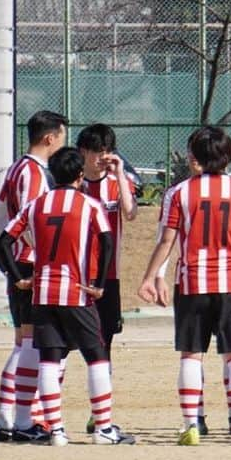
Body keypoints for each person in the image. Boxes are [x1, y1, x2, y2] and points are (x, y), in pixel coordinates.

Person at [137, 126, 231, 447]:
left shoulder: (179, 193)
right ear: (228, 157)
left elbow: (167, 241)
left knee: (191, 355)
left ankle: (192, 426)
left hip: (191, 284)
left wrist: (150, 275)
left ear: (194, 157)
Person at [0, 146, 136, 447]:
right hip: (76, 292)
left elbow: (5, 238)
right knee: (96, 357)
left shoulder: (37, 205)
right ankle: (104, 428)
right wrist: (98, 283)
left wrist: (19, 277)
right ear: (78, 175)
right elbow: (107, 240)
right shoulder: (88, 205)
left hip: (43, 294)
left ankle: (57, 432)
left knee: (49, 359)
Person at [0, 109, 67, 443]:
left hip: (19, 264)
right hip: (33, 265)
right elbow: (35, 222)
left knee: (24, 343)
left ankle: (8, 419)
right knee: (33, 345)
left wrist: (7, 264)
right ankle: (21, 420)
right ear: (50, 138)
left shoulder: (16, 169)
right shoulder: (35, 174)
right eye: (62, 137)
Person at [77, 123, 138, 433]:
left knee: (105, 343)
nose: (101, 157)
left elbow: (130, 212)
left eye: (106, 151)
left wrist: (120, 175)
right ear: (82, 152)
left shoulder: (117, 183)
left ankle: (97, 411)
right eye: (96, 151)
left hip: (107, 276)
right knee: (60, 345)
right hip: (75, 274)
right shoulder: (72, 184)